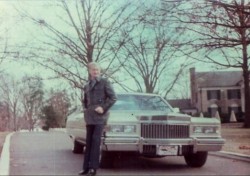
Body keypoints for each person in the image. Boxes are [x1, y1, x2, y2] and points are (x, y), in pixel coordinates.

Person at [79, 62, 117, 176]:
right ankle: (85, 167)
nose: (95, 72)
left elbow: (113, 98)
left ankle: (93, 168)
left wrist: (103, 108)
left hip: (100, 117)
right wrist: (85, 109)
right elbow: (85, 101)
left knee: (96, 142)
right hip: (89, 117)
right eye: (93, 70)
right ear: (89, 71)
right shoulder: (87, 85)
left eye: (97, 70)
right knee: (89, 142)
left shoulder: (105, 82)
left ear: (100, 71)